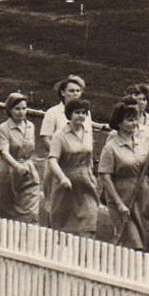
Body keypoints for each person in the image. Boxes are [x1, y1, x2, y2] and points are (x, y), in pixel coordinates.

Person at [97, 101, 149, 249]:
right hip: (122, 196)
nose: (135, 123)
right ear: (119, 123)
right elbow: (105, 177)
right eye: (130, 120)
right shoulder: (111, 147)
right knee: (133, 242)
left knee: (143, 237)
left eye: (136, 119)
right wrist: (119, 204)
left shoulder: (143, 144)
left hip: (141, 195)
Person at [45, 98, 100, 236]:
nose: (81, 116)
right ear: (69, 114)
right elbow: (52, 160)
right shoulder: (60, 135)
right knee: (64, 226)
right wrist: (62, 178)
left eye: (83, 113)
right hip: (66, 184)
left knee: (89, 219)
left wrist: (93, 177)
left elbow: (89, 157)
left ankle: (85, 253)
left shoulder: (87, 132)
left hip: (86, 183)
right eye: (77, 112)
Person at [0, 92, 42, 224]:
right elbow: (4, 152)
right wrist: (17, 166)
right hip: (9, 173)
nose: (21, 112)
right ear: (9, 110)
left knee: (31, 212)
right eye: (17, 109)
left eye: (24, 108)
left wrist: (24, 166)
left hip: (28, 172)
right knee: (5, 213)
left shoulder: (31, 126)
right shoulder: (4, 128)